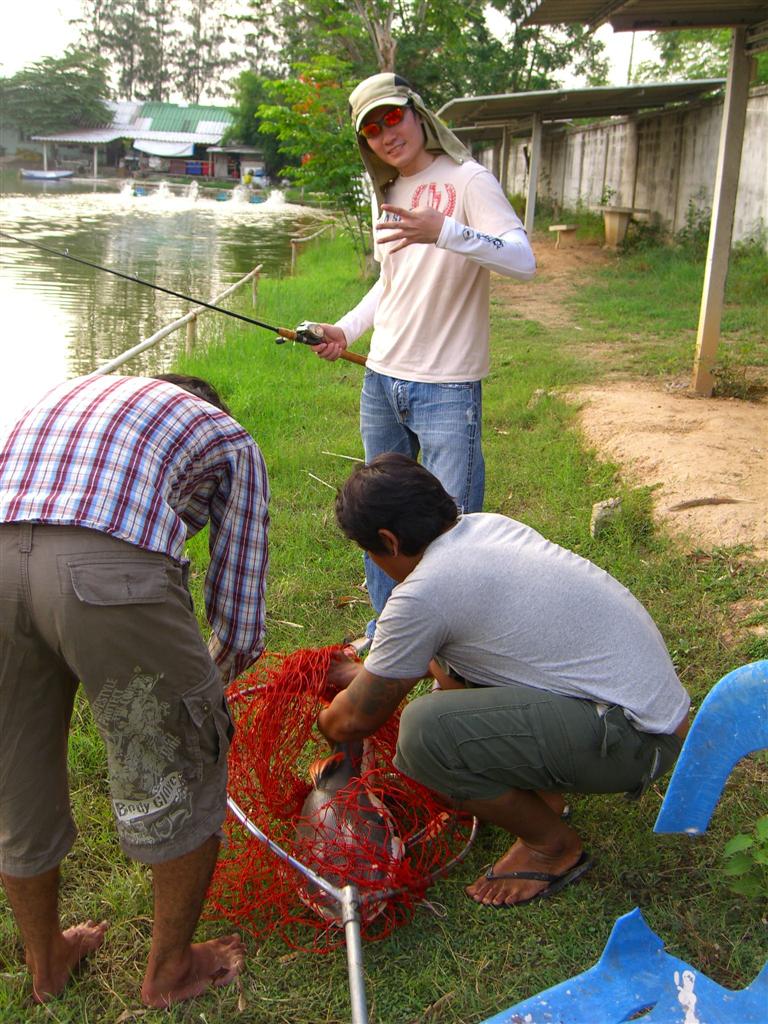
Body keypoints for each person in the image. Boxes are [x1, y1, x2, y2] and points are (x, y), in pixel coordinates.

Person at [0, 372, 270, 1006]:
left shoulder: (69, 395)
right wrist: (200, 695)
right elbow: (240, 624)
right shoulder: (228, 438)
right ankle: (171, 969)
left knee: (13, 773)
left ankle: (47, 964)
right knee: (181, 761)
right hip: (102, 570)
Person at [318, 454, 691, 908]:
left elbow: (353, 720)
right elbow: (434, 665)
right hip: (655, 716)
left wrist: (329, 719)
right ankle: (542, 796)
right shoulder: (484, 526)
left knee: (424, 733)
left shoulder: (423, 594)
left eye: (370, 552)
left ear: (388, 541)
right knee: (449, 671)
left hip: (636, 740)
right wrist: (365, 674)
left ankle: (552, 847)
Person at [312, 73, 535, 630]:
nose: (387, 135)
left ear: (417, 113)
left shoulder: (468, 180)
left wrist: (446, 231)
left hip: (447, 384)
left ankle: (457, 635)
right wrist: (345, 330)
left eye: (393, 118)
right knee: (378, 515)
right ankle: (390, 631)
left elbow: (522, 260)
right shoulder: (384, 192)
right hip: (382, 380)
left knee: (449, 522)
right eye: (371, 129)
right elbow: (392, 281)